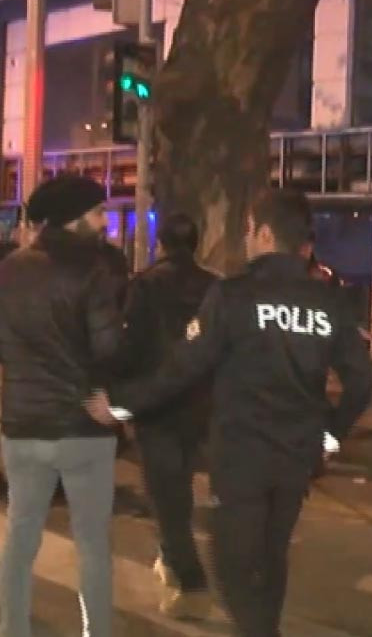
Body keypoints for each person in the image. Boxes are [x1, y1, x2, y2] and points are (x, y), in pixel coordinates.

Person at [85, 189, 372, 637]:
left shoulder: (233, 295)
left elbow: (184, 367)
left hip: (242, 455)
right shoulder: (329, 302)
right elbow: (362, 381)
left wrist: (123, 402)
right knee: (271, 555)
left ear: (265, 234)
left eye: (249, 230)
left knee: (233, 563)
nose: (246, 239)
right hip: (297, 456)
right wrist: (331, 435)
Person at [0, 176, 124, 637]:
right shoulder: (94, 271)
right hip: (82, 426)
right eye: (98, 212)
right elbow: (109, 350)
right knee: (91, 544)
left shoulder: (10, 269)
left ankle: (13, 629)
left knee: (20, 537)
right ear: (74, 219)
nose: (105, 221)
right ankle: (95, 631)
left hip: (23, 425)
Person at [117, 213, 217, 618]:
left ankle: (189, 579)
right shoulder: (215, 287)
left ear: (161, 244)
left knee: (166, 495)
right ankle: (171, 558)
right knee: (178, 486)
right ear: (196, 243)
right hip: (200, 402)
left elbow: (129, 347)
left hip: (157, 403)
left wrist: (124, 398)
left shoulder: (145, 285)